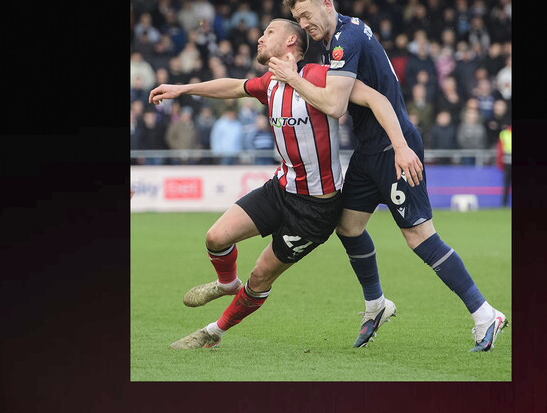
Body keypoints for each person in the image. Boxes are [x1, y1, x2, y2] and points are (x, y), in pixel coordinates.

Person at [269, 0, 507, 352]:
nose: (303, 24)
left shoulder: (346, 40)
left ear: (326, 3)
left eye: (306, 15)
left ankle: (484, 314)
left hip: (392, 148)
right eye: (298, 19)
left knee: (419, 237)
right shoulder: (338, 38)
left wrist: (291, 77)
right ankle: (376, 304)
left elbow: (335, 105)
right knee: (348, 227)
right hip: (368, 150)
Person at [149, 18, 423, 349]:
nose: (260, 39)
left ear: (292, 41)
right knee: (216, 237)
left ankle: (213, 332)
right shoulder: (270, 83)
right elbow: (232, 87)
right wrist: (182, 89)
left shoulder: (322, 77)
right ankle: (226, 283)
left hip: (315, 209)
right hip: (281, 189)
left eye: (269, 33)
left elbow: (378, 100)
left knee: (261, 276)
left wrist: (400, 146)